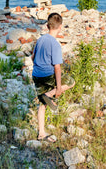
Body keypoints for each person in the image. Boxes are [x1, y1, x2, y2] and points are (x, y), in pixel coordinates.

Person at [32, 13, 74, 142]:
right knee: (71, 82)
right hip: (47, 75)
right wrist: (59, 88)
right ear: (60, 27)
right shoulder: (55, 44)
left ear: (47, 25)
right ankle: (50, 94)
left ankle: (41, 133)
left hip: (36, 74)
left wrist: (38, 65)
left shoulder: (40, 39)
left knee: (42, 104)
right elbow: (57, 67)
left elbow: (33, 57)